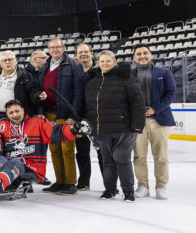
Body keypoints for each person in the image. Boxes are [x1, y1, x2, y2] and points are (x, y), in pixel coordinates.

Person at [83, 51, 145, 202]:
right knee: (108, 161)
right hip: (102, 129)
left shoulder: (126, 78)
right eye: (102, 61)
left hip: (124, 128)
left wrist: (137, 124)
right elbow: (90, 107)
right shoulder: (92, 82)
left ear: (114, 62)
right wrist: (90, 126)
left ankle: (128, 191)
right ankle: (109, 190)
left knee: (121, 158)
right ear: (98, 63)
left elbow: (137, 101)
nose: (105, 64)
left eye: (108, 61)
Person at [38, 37, 84, 196]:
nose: (55, 50)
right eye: (52, 48)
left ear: (64, 48)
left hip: (65, 113)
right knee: (54, 148)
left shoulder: (73, 65)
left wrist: (74, 114)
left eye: (58, 47)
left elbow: (78, 92)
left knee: (67, 148)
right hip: (49, 113)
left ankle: (70, 183)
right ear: (48, 50)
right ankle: (60, 181)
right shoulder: (45, 66)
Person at [0, 99, 79, 184]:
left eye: (17, 111)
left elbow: (56, 130)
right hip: (9, 167)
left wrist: (74, 130)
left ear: (22, 110)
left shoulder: (37, 122)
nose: (15, 115)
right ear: (7, 114)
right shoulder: (2, 125)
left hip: (32, 169)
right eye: (11, 113)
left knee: (14, 165)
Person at [132, 45, 176, 200]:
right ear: (134, 57)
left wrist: (154, 109)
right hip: (138, 120)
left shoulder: (163, 72)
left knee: (161, 156)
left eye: (145, 53)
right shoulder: (129, 75)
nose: (142, 56)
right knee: (139, 156)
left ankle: (161, 186)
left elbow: (171, 94)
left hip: (159, 119)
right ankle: (142, 185)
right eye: (138, 54)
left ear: (150, 55)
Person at [0, 51, 44, 121]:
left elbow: (32, 90)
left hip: (17, 116)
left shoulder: (24, 75)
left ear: (15, 61)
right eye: (4, 60)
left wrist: (38, 95)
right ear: (1, 63)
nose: (7, 62)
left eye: (10, 59)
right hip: (0, 115)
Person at [74, 42, 98, 190]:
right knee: (82, 151)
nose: (83, 54)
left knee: (103, 152)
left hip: (97, 116)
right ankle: (84, 182)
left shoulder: (100, 69)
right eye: (80, 52)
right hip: (79, 116)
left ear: (91, 53)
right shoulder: (75, 71)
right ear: (76, 56)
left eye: (86, 52)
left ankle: (110, 184)